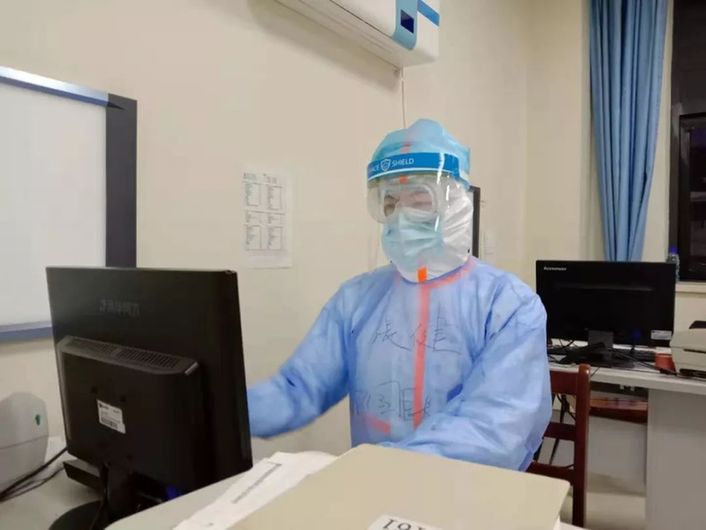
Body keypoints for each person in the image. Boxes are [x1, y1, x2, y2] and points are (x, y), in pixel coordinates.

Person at [247, 119, 551, 470]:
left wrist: (384, 468)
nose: (402, 219)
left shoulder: (508, 305)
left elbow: (492, 427)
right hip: (376, 490)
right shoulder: (356, 298)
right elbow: (299, 389)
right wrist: (223, 412)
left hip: (464, 489)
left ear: (457, 203)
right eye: (390, 204)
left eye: (419, 201)